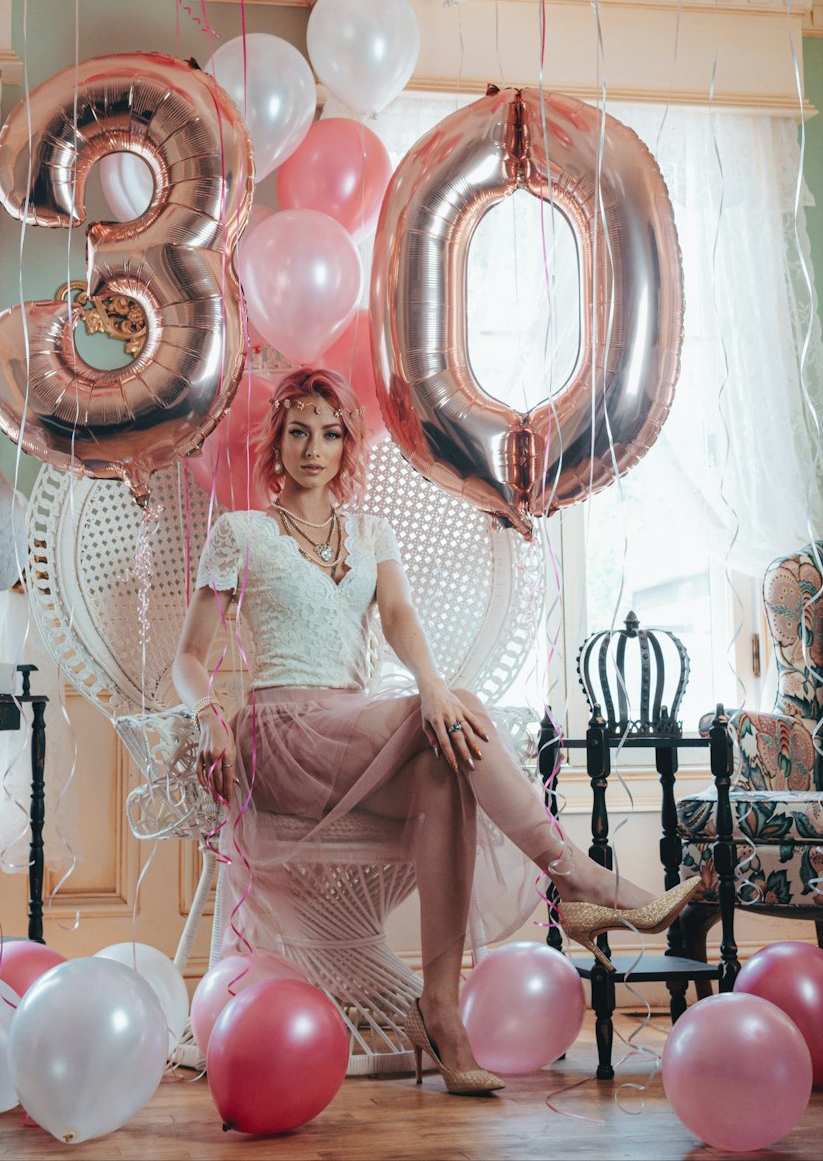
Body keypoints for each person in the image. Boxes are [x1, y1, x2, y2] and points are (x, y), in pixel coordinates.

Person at [172, 366, 701, 1095]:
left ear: (347, 444)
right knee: (459, 712)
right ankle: (575, 875)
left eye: (330, 433)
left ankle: (441, 1011)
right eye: (298, 432)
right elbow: (188, 660)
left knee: (446, 770)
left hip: (353, 733)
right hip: (283, 735)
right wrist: (208, 716)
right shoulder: (242, 533)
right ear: (277, 442)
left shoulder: (369, 533)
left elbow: (398, 619)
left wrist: (430, 687)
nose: (313, 448)